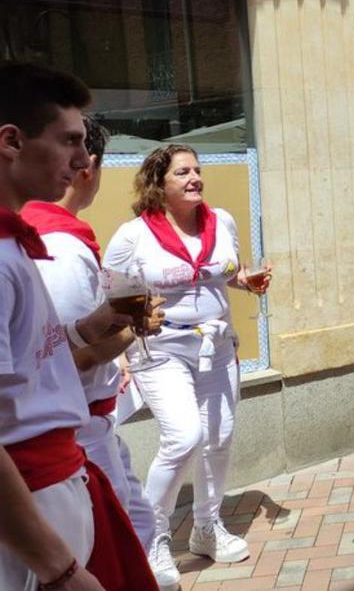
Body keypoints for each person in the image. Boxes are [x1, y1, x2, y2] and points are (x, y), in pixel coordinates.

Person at [0, 62, 157, 591]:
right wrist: (59, 569)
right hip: (31, 503)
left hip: (53, 487)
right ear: (11, 141)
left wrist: (86, 328)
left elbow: (31, 363)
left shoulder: (15, 245)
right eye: (70, 140)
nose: (83, 160)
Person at [103, 143, 271, 585]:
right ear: (158, 184)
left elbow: (225, 273)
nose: (195, 178)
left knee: (219, 438)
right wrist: (117, 354)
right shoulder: (132, 235)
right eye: (182, 173)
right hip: (160, 350)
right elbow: (109, 296)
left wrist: (246, 281)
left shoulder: (224, 222)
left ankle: (206, 528)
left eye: (197, 170)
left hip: (216, 346)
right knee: (184, 436)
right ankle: (151, 538)